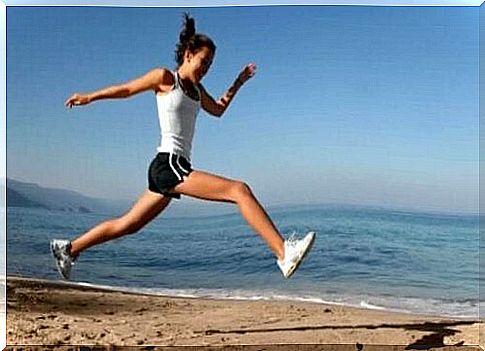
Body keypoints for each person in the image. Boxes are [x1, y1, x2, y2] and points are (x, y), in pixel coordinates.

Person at [50, 13, 315, 281]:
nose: (206, 68)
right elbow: (127, 89)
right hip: (169, 163)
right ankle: (283, 252)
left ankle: (69, 249)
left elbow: (219, 109)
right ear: (188, 54)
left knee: (128, 224)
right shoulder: (165, 78)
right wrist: (89, 97)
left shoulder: (198, 91)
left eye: (210, 64)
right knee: (239, 190)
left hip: (172, 167)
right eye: (204, 61)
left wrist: (238, 82)